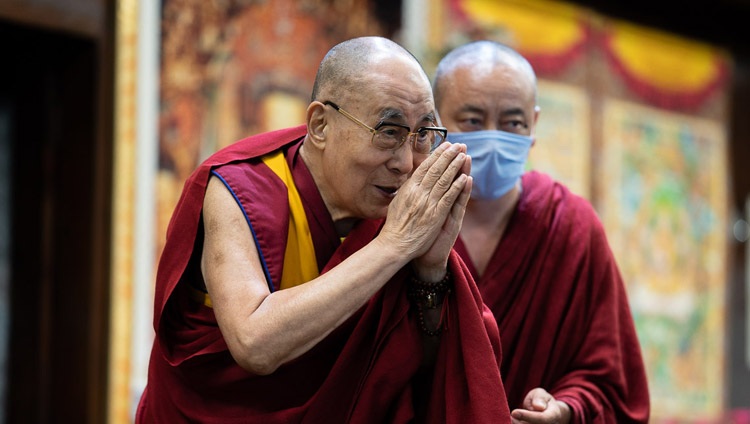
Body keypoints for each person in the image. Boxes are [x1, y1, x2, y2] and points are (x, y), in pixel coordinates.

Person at [136, 36, 512, 423]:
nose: (406, 162)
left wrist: (430, 273)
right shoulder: (239, 188)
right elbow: (254, 343)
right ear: (320, 124)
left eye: (423, 135)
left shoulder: (398, 210)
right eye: (389, 131)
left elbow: (428, 373)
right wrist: (393, 247)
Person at [433, 40, 650, 424]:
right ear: (435, 123)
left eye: (513, 123)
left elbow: (614, 380)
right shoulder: (404, 224)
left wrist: (567, 409)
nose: (495, 137)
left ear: (534, 125)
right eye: (472, 120)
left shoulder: (571, 227)